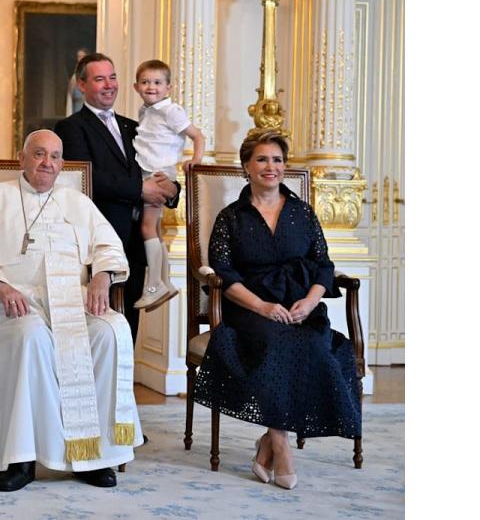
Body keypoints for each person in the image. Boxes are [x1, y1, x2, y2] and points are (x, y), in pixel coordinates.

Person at [0, 130, 143, 492]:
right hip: (11, 304)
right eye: (39, 154)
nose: (48, 163)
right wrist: (1, 285)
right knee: (31, 335)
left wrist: (102, 276)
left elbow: (109, 247)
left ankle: (93, 455)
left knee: (109, 331)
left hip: (73, 302)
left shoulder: (78, 202)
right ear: (21, 158)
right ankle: (20, 459)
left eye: (55, 157)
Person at [193, 131, 362, 490]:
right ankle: (281, 444)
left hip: (301, 308)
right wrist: (263, 306)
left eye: (277, 160)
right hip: (250, 310)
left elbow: (323, 266)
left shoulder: (302, 213)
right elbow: (223, 272)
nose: (271, 167)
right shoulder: (231, 217)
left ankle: (268, 442)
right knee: (275, 345)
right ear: (246, 167)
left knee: (316, 346)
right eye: (262, 160)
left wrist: (312, 300)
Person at [54, 52, 181, 340]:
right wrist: (140, 190)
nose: (109, 84)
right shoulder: (70, 128)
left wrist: (172, 189)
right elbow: (89, 178)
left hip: (136, 239)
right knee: (99, 327)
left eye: (113, 77)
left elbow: (157, 163)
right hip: (97, 240)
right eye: (100, 79)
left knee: (128, 325)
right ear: (81, 85)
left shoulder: (133, 126)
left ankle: (123, 386)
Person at [131, 59, 206, 310]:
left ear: (168, 87)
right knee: (157, 229)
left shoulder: (171, 111)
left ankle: (153, 286)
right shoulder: (146, 111)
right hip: (148, 169)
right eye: (145, 82)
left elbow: (197, 135)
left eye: (157, 82)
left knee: (147, 227)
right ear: (136, 86)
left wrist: (194, 161)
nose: (151, 87)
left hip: (157, 173)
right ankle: (163, 281)